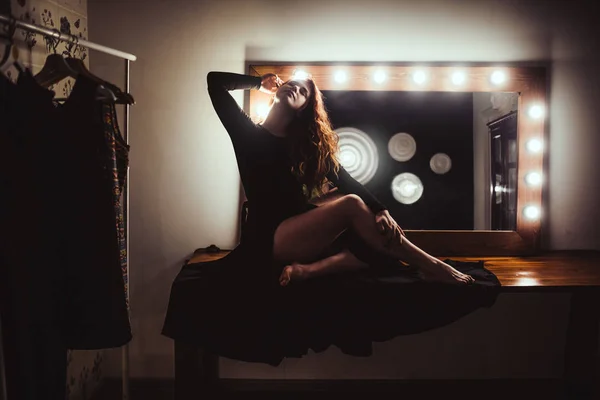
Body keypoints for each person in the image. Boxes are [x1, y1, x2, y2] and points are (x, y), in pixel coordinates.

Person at [207, 71, 474, 287]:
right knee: (350, 205)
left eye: (303, 91)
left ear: (304, 108)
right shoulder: (247, 134)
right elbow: (214, 81)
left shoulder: (303, 148)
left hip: (298, 232)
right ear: (277, 89)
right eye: (292, 84)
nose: (295, 89)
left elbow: (344, 179)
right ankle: (433, 265)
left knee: (376, 242)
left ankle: (307, 271)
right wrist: (258, 82)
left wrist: (380, 209)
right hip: (267, 238)